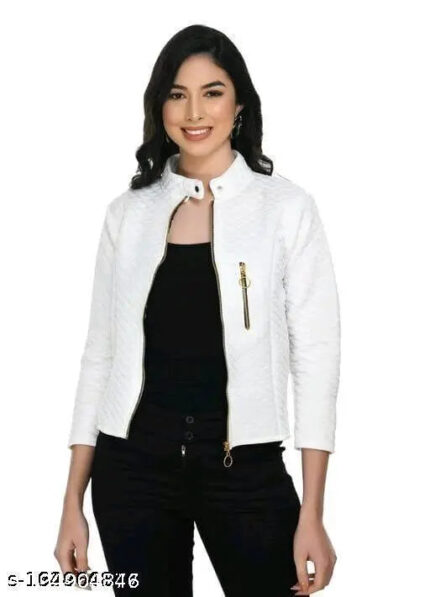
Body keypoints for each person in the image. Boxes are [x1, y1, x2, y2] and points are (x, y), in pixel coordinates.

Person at [54, 24, 340, 597]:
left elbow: (316, 359)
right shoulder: (127, 214)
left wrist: (312, 510)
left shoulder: (285, 210)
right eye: (177, 94)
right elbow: (99, 357)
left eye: (212, 92)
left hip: (246, 472)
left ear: (240, 104)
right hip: (131, 473)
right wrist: (71, 503)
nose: (194, 112)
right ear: (159, 106)